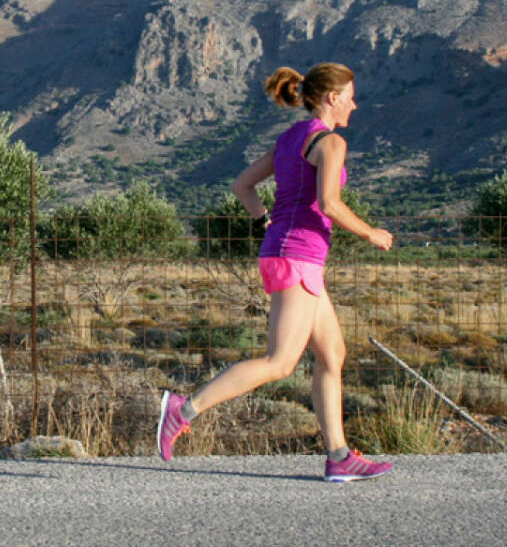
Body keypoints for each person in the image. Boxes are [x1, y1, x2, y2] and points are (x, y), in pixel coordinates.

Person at [157, 62, 396, 482]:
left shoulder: (290, 138)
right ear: (332, 97)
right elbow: (328, 203)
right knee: (280, 362)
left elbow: (242, 187)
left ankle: (338, 456)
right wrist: (370, 233)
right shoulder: (330, 142)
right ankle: (184, 408)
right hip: (299, 256)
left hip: (286, 253)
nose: (355, 105)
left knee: (332, 354)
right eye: (351, 96)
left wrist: (263, 220)